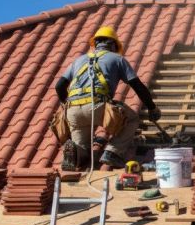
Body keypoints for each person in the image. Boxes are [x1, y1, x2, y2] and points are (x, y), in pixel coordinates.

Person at [55, 26, 161, 170]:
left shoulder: (78, 60)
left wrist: (65, 104)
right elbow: (137, 86)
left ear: (95, 44)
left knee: (83, 149)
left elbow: (59, 86)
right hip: (97, 106)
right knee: (132, 119)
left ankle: (75, 154)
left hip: (73, 111)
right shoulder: (117, 59)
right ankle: (112, 152)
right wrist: (152, 108)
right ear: (113, 45)